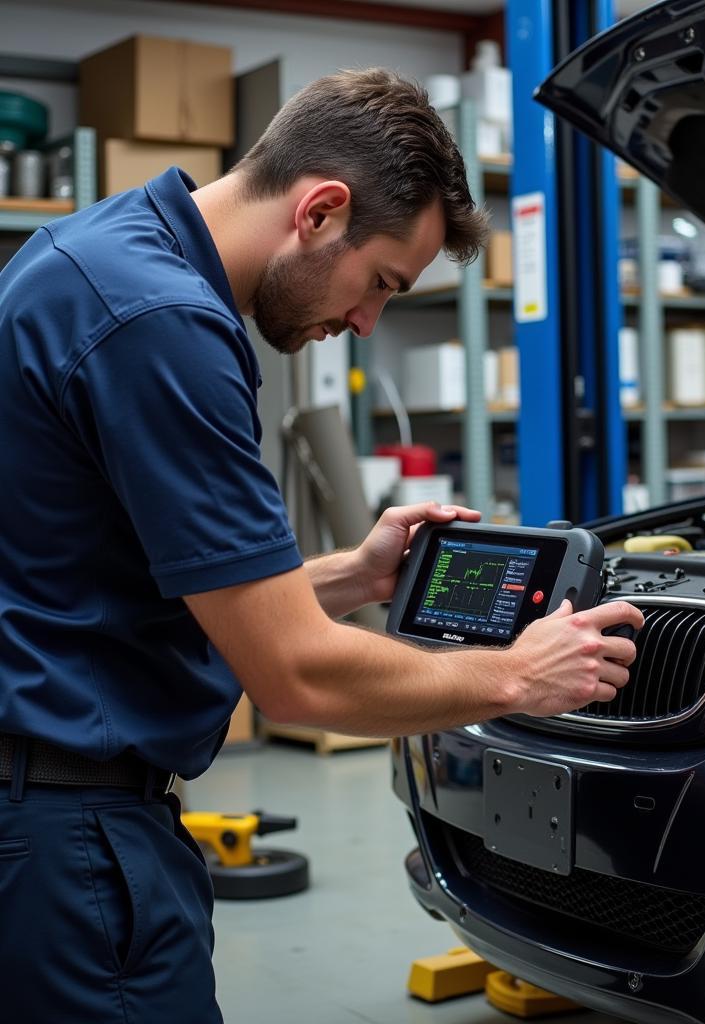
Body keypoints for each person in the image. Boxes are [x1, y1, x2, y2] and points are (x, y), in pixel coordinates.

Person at [0, 67, 643, 1022]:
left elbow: (118, 577)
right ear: (321, 211)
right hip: (73, 839)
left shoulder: (90, 251)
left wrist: (350, 576)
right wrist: (518, 676)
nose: (365, 321)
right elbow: (297, 678)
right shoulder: (164, 326)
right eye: (380, 282)